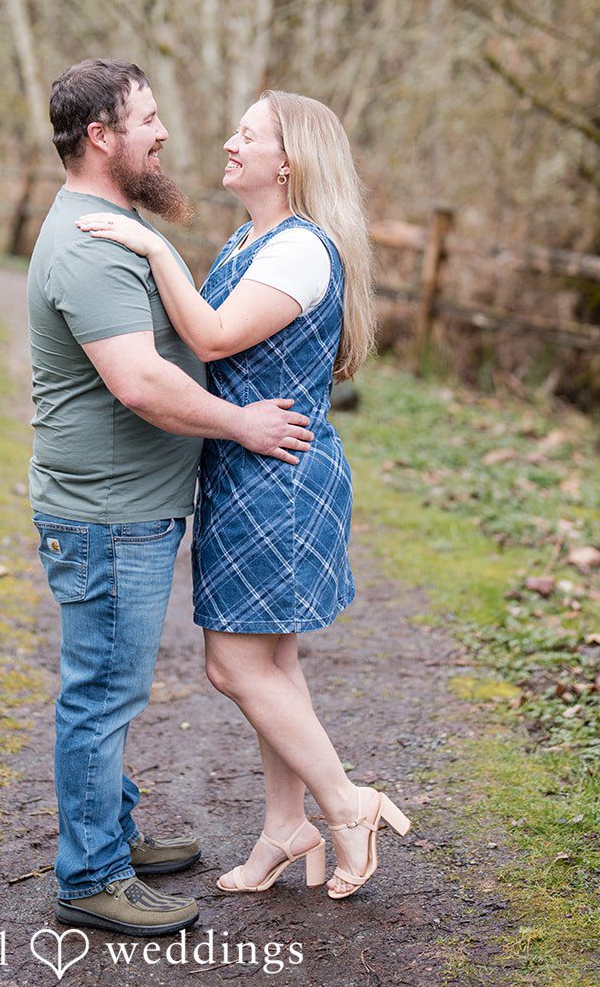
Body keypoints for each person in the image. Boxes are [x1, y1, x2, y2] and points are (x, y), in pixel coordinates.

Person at [76, 88, 411, 901]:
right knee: (273, 661)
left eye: (247, 134)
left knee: (233, 666)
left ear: (287, 160)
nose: (228, 142)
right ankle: (283, 828)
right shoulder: (252, 238)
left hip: (279, 479)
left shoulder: (299, 250)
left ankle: (345, 804)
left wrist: (152, 250)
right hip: (247, 469)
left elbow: (214, 337)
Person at [28, 60, 314, 938]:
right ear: (101, 138)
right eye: (145, 120)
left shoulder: (109, 224)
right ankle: (92, 876)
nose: (161, 134)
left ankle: (111, 834)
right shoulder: (88, 242)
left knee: (110, 688)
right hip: (108, 515)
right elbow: (142, 384)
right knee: (101, 694)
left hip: (126, 509)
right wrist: (240, 424)